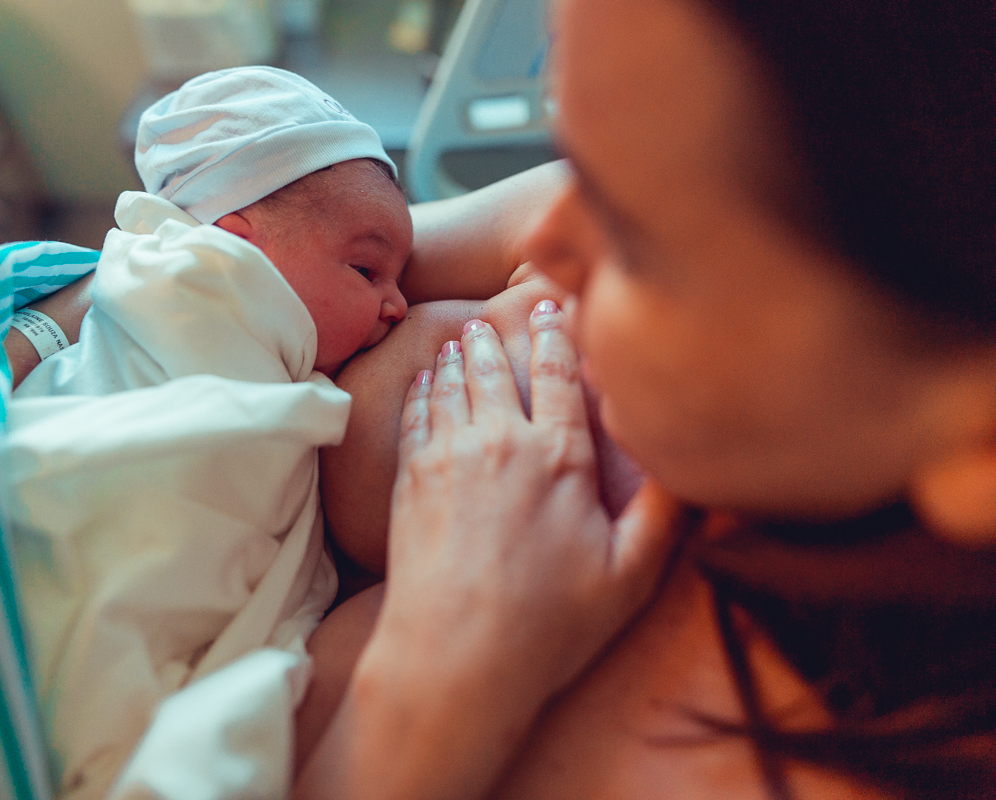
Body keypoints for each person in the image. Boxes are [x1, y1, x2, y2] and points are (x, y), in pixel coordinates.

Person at [287, 0, 996, 798]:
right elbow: (286, 257)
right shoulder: (647, 186)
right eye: (575, 157)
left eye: (632, 239)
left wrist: (437, 685)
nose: (552, 233)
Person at [0, 66, 414, 799]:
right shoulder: (188, 292)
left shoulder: (286, 324)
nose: (399, 305)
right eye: (367, 269)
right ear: (233, 244)